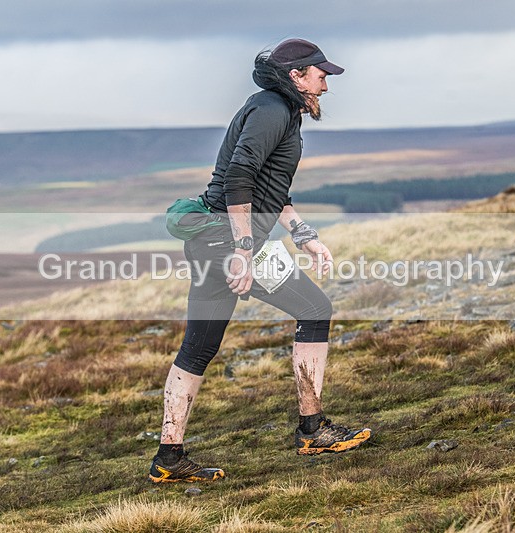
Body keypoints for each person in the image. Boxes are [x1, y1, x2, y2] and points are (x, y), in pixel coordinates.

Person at [149, 38, 372, 483]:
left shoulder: (279, 110)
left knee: (200, 346)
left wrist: (303, 234)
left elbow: (270, 187)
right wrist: (243, 253)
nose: (326, 85)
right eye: (321, 75)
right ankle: (312, 430)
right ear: (296, 76)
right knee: (315, 310)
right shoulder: (272, 109)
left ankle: (168, 458)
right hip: (227, 241)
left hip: (214, 240)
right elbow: (239, 177)